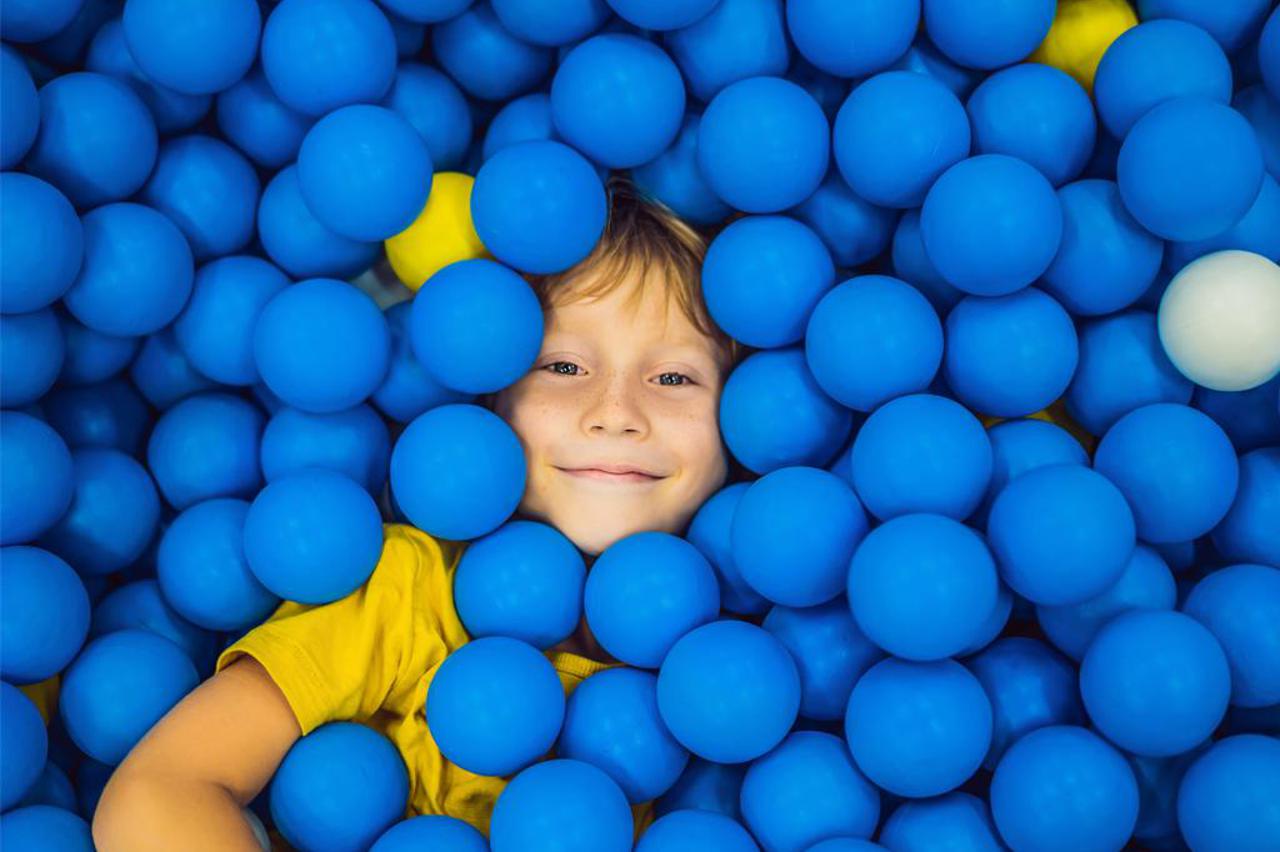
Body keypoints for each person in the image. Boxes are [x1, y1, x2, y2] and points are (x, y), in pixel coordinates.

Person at [93, 176, 747, 851]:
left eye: (673, 377)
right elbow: (161, 792)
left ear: (742, 415)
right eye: (563, 367)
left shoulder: (754, 667)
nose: (616, 413)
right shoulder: (404, 596)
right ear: (490, 399)